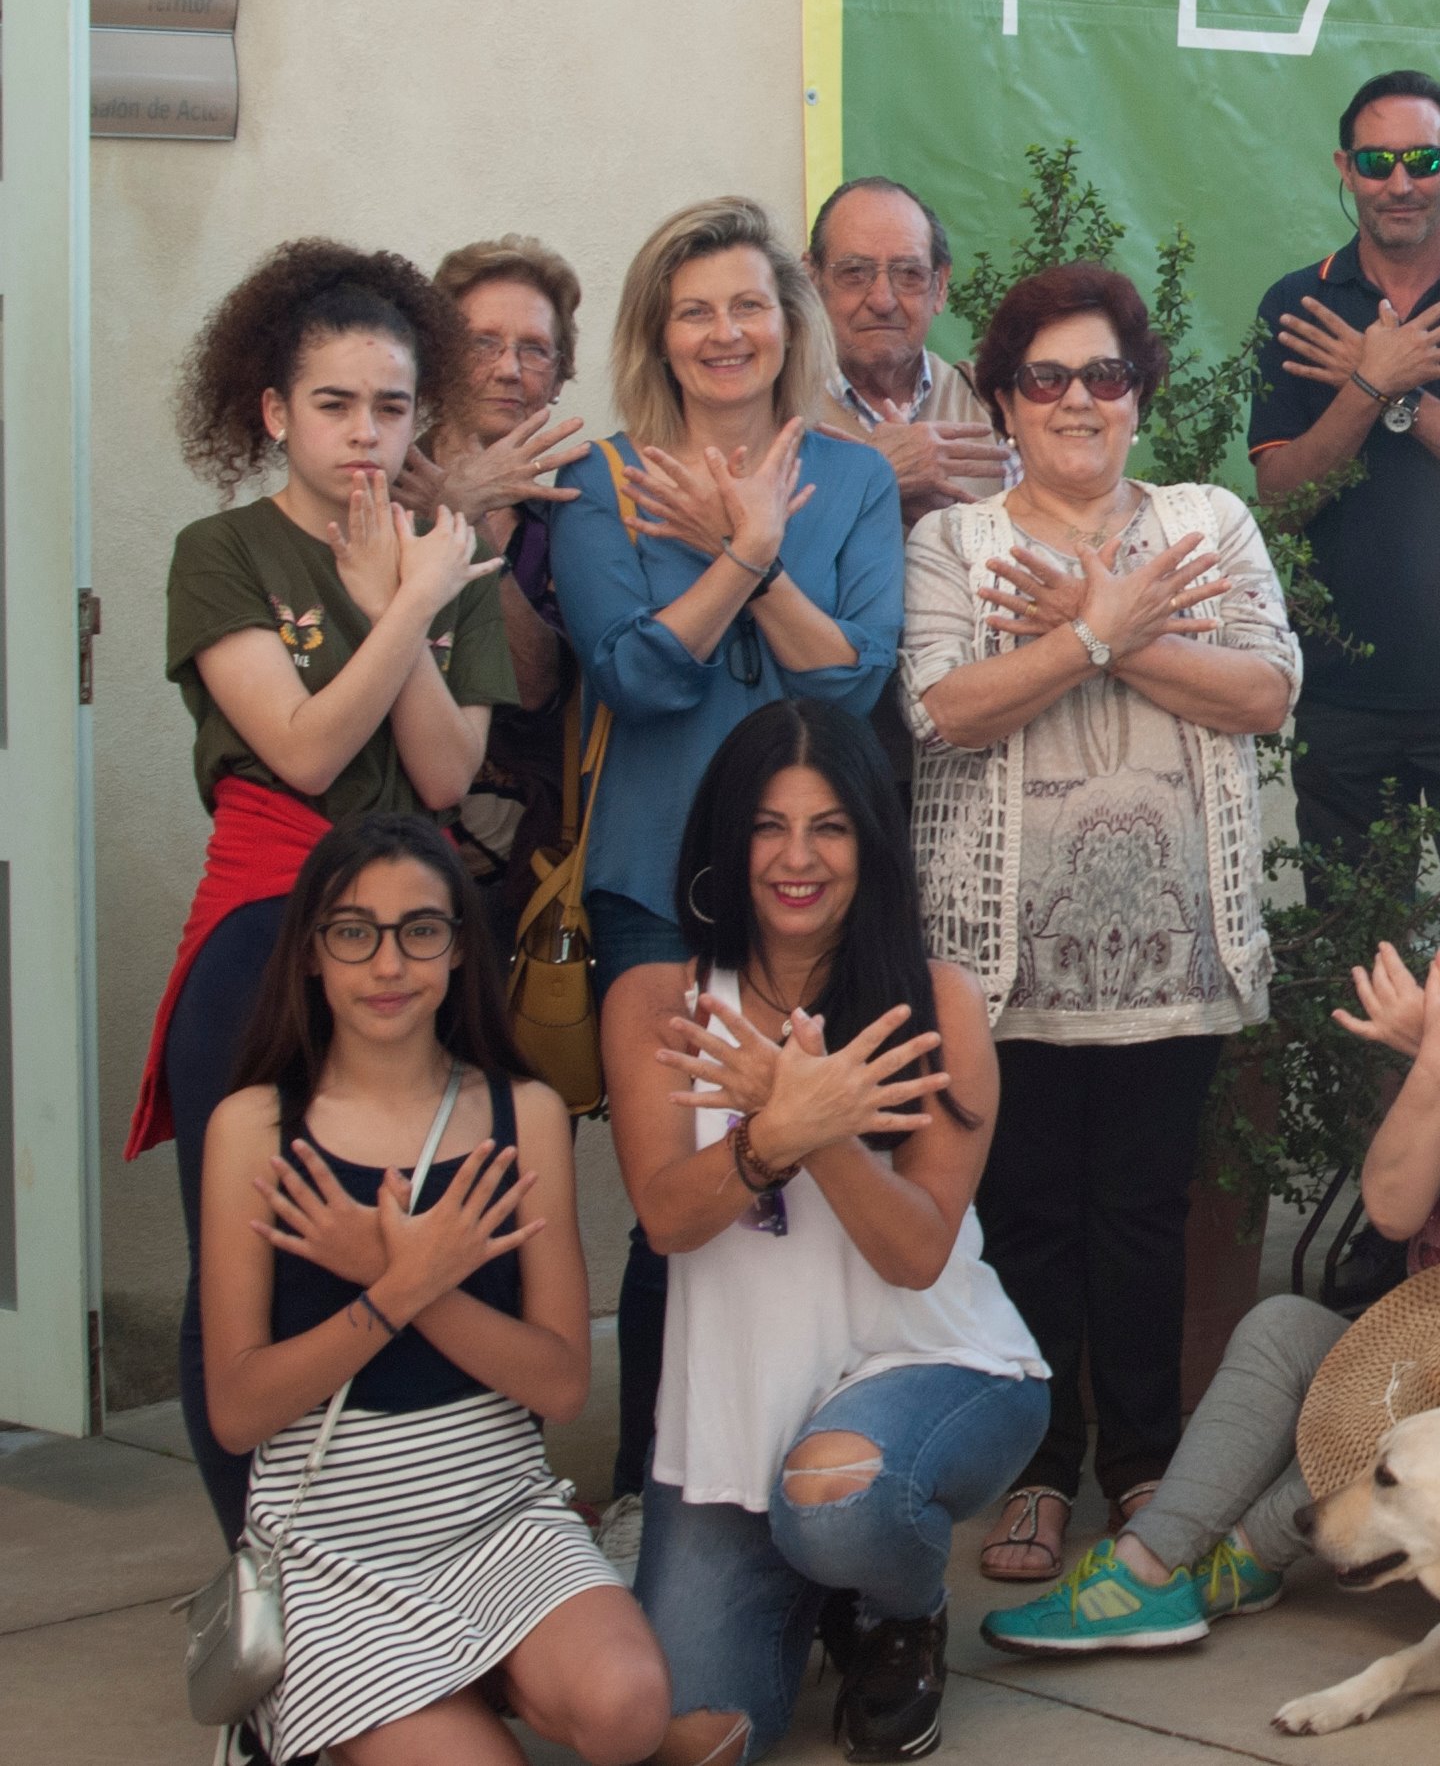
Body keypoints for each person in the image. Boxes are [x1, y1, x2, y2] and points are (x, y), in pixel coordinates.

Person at [975, 866, 1440, 1657]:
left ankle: (1241, 1559)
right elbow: (1394, 1210)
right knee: (1283, 1324)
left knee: (1434, 1383)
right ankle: (1151, 1559)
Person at [901, 264, 1302, 1586]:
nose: (1079, 400)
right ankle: (1036, 1467)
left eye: (1106, 375)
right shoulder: (953, 544)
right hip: (1004, 961)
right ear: (1004, 400)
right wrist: (1099, 637)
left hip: (1173, 954)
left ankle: (1140, 1453)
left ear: (1140, 394)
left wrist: (1096, 625)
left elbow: (1263, 689)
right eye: (1047, 377)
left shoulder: (1207, 518)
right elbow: (947, 708)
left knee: (1142, 1213)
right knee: (1024, 1216)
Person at [551, 196, 904, 1564]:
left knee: (825, 1167)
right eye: (694, 307)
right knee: (682, 1192)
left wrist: (743, 559)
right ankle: (656, 1472)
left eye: (747, 304)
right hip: (657, 880)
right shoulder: (605, 481)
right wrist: (752, 555)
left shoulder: (855, 476)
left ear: (787, 320)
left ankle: (818, 1459)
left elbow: (855, 675)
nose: (723, 330)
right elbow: (634, 676)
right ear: (659, 332)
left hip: (816, 879)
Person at [608, 701, 1046, 1766]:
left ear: (872, 841)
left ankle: (898, 1605)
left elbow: (917, 1251)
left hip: (935, 1365)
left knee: (838, 1498)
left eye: (830, 826)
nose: (796, 857)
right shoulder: (658, 998)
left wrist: (818, 1133)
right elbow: (667, 1215)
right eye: (767, 825)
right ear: (725, 838)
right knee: (686, 1738)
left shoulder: (935, 1000)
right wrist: (768, 1138)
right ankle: (818, 1586)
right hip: (735, 1414)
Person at [155, 239, 514, 1537]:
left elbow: (441, 768)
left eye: (392, 405)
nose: (366, 433)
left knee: (438, 1217)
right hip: (263, 915)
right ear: (272, 409)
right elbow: (303, 751)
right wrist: (402, 609)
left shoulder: (444, 552)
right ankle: (264, 1568)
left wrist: (415, 596)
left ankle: (434, 1534)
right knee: (246, 1241)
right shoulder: (224, 550)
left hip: (419, 921)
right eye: (334, 403)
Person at [194, 814, 664, 1766]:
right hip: (333, 1544)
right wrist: (395, 1293)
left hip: (496, 1513)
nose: (388, 961)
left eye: (421, 930)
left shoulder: (521, 1112)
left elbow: (562, 1384)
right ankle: (382, 1701)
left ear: (458, 952)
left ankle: (481, 1668)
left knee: (628, 1709)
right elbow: (239, 1411)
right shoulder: (254, 1128)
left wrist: (399, 1278)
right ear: (314, 954)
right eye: (353, 931)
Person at [1249, 70, 1440, 888]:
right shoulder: (1298, 303)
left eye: (1421, 160)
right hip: (1341, 692)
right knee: (1352, 955)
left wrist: (1401, 394)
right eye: (1376, 161)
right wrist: (1366, 387)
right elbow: (1279, 501)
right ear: (1344, 169)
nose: (1399, 183)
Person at [407, 237, 593, 937]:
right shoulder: (370, 490)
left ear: (559, 374)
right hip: (382, 854)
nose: (509, 369)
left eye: (535, 349)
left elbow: (538, 684)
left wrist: (470, 515)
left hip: (527, 880)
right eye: (482, 343)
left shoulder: (574, 518)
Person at [802, 175, 1013, 523]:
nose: (882, 300)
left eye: (909, 274)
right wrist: (872, 481)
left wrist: (947, 529)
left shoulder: (997, 411)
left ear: (940, 286)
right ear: (812, 280)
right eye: (855, 272)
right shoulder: (770, 411)